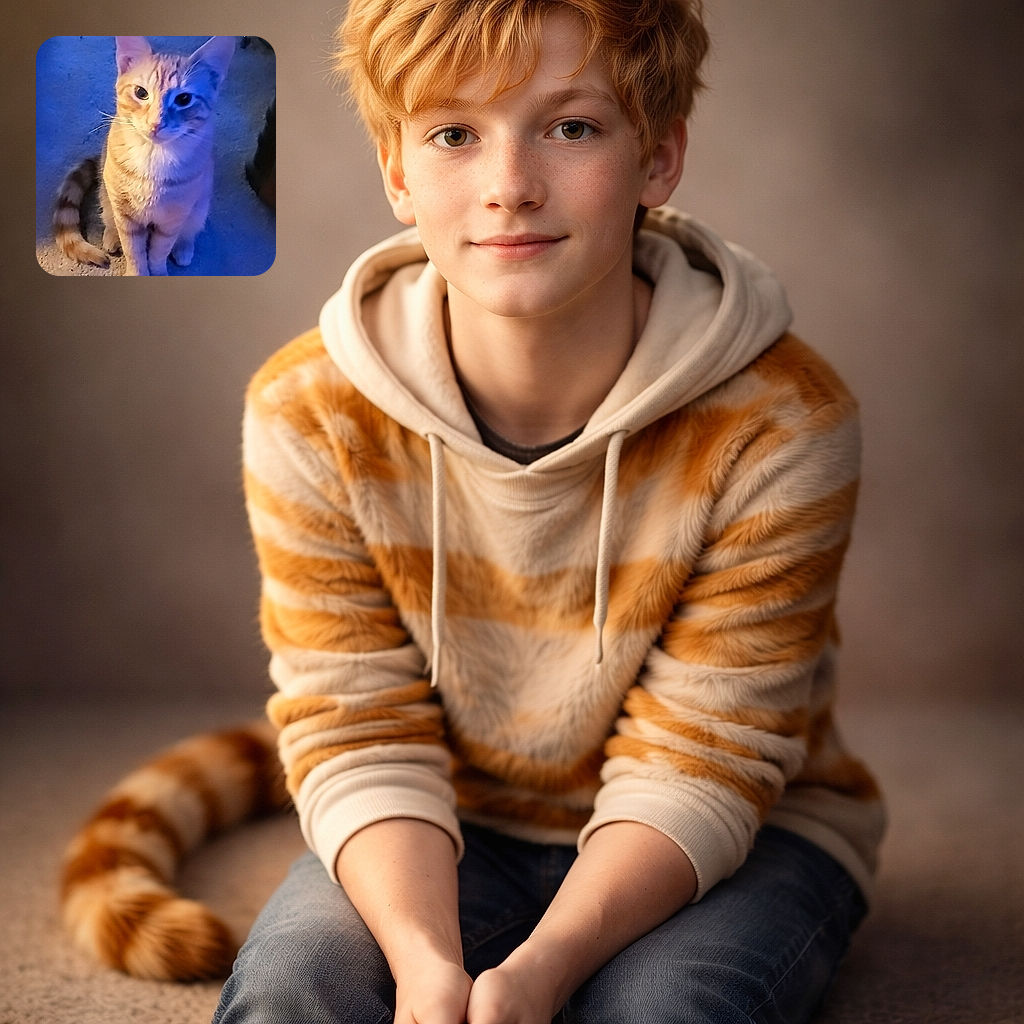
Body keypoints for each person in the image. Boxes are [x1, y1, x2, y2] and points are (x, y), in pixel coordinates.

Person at [213, 1, 885, 1020]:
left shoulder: (782, 420)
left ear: (659, 157)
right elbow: (356, 725)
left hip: (735, 823)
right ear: (397, 173)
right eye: (453, 134)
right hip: (454, 816)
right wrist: (426, 960)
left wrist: (545, 965)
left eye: (571, 127)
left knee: (659, 1010)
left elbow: (705, 756)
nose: (509, 186)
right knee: (292, 995)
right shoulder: (309, 411)